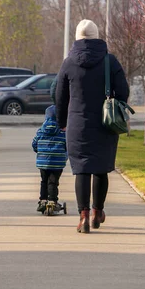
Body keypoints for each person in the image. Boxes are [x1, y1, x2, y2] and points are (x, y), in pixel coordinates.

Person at [56, 19, 129, 233]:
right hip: (105, 124)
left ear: (77, 37)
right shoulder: (110, 61)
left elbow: (60, 96)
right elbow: (123, 91)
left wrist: (62, 122)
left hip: (77, 124)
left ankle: (83, 217)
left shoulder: (69, 62)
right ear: (97, 36)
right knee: (100, 169)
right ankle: (98, 211)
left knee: (82, 170)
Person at [32, 104, 67, 216]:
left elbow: (34, 144)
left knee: (44, 181)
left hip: (42, 162)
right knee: (53, 182)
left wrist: (39, 151)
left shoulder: (40, 131)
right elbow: (67, 146)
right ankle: (52, 200)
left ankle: (43, 200)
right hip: (57, 163)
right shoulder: (63, 132)